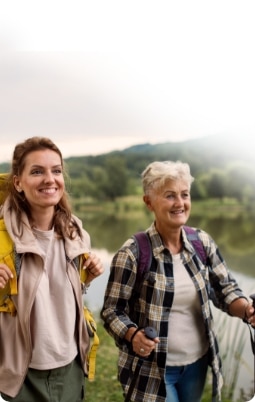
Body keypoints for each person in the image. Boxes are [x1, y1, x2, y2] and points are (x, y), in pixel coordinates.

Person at [101, 160, 255, 402]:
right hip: (152, 370)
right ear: (149, 202)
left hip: (197, 363)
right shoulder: (132, 253)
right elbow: (111, 311)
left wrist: (247, 310)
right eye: (170, 196)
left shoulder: (201, 242)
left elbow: (226, 291)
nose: (180, 203)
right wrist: (133, 335)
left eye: (184, 194)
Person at [0, 136, 104, 402]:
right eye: (37, 171)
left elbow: (63, 294)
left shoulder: (77, 233)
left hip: (70, 367)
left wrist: (87, 276)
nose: (50, 179)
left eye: (56, 170)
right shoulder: (1, 238)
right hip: (19, 374)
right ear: (18, 183)